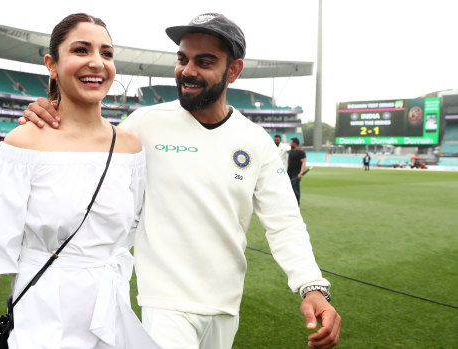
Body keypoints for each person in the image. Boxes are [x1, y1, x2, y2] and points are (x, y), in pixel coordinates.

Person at [22, 13, 340, 349]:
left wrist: (312, 287)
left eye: (204, 61)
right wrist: (50, 111)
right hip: (164, 303)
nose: (188, 71)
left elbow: (285, 222)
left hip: (225, 305)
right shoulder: (145, 122)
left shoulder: (256, 140)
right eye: (182, 59)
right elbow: (88, 152)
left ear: (233, 71)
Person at [0, 13, 161, 349]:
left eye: (106, 53)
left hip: (112, 322)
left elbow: (128, 232)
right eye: (80, 50)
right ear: (52, 64)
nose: (97, 63)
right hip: (42, 321)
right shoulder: (23, 145)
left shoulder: (131, 149)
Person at [287, 137, 306, 206]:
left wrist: (301, 173)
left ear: (294, 143)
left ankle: (297, 204)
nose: (290, 144)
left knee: (295, 189)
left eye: (291, 142)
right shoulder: (291, 151)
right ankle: (291, 203)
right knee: (290, 189)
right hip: (289, 173)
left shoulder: (301, 152)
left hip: (296, 173)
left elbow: (304, 162)